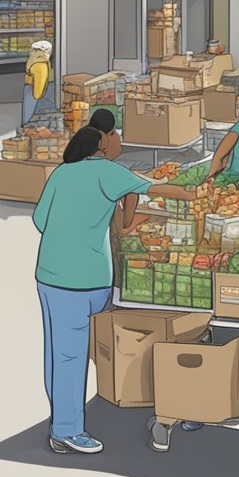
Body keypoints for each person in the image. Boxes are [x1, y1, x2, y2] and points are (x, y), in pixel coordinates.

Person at [32, 126, 198, 455]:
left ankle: (59, 423)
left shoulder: (62, 173)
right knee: (71, 355)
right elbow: (153, 186)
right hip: (83, 278)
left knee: (57, 353)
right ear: (101, 144)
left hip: (48, 274)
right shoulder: (106, 171)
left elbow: (39, 220)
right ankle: (67, 430)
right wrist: (195, 194)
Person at [23, 40, 54, 125]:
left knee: (28, 115)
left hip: (30, 91)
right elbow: (38, 92)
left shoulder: (35, 63)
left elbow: (37, 92)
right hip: (34, 93)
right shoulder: (41, 65)